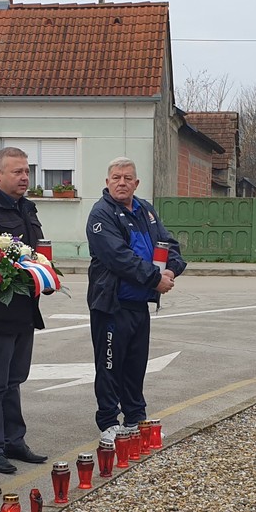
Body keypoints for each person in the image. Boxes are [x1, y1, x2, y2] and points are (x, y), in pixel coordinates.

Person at [85, 157, 186, 438]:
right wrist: (156, 279)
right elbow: (119, 258)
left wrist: (171, 272)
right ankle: (107, 422)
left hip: (139, 303)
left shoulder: (145, 211)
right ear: (107, 182)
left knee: (135, 365)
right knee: (109, 366)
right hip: (111, 304)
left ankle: (135, 418)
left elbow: (169, 245)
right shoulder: (101, 214)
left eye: (128, 178)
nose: (122, 182)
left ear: (136, 183)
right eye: (116, 177)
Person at [0, 146, 48, 474]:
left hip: (23, 308)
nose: (24, 177)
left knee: (15, 378)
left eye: (27, 171)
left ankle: (14, 439)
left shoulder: (26, 207)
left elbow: (36, 248)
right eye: (17, 172)